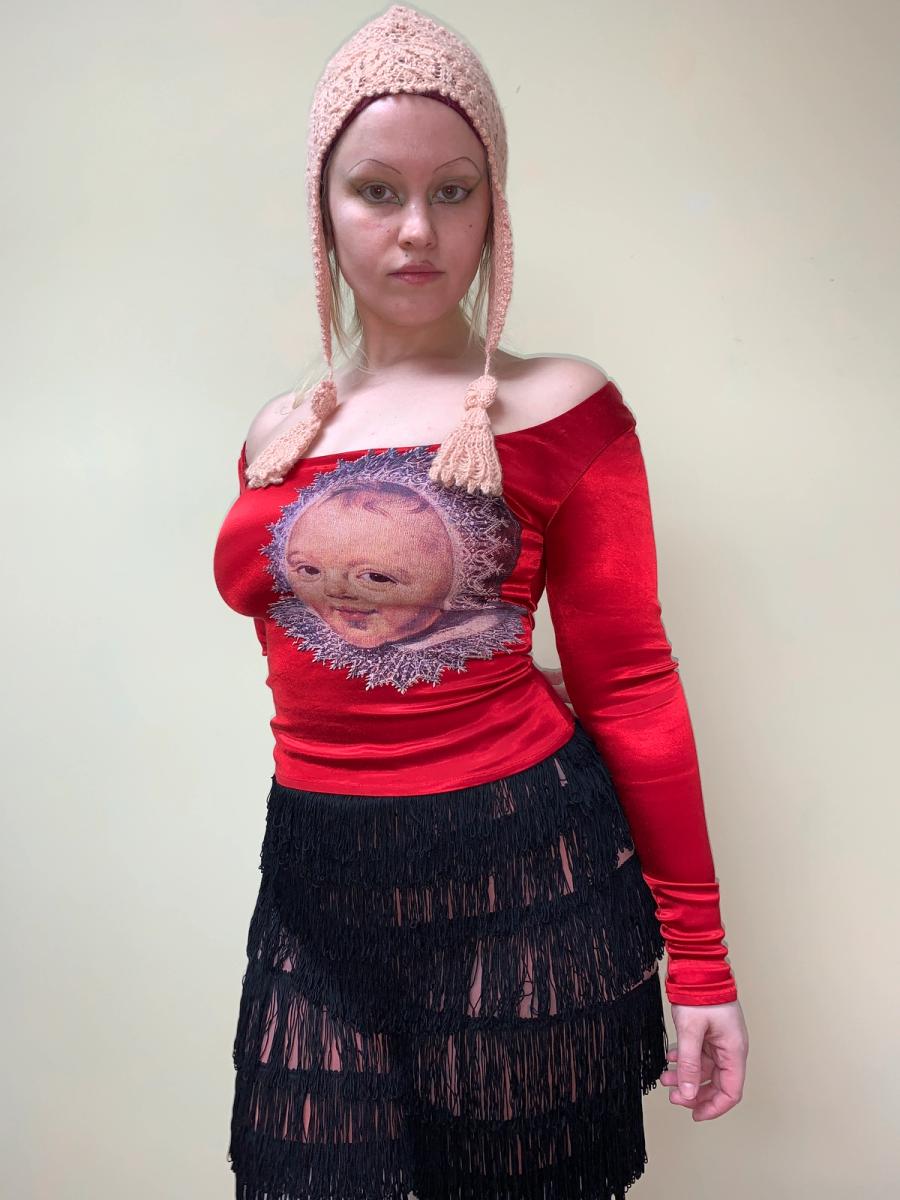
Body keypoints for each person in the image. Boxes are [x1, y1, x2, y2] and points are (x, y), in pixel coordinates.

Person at [212, 5, 749, 1199]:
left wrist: (703, 963)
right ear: (323, 207)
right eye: (376, 191)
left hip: (520, 886)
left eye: (453, 191)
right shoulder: (276, 434)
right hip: (314, 890)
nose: (417, 229)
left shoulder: (561, 407)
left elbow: (630, 683)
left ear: (494, 206)